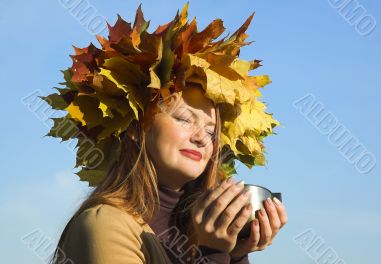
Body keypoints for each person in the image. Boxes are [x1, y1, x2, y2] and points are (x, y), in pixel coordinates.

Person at [44, 4, 287, 264]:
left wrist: (235, 254)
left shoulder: (199, 237)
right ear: (137, 129)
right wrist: (213, 255)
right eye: (184, 119)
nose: (201, 138)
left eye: (211, 131)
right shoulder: (106, 224)